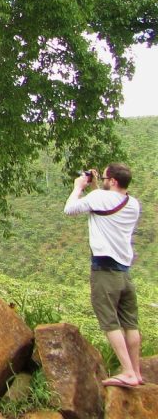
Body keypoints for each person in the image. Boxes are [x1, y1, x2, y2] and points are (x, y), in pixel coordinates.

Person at [64, 163, 143, 388]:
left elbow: (70, 209)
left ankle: (127, 371)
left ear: (114, 181)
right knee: (130, 323)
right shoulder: (133, 204)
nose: (104, 180)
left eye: (106, 178)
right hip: (125, 274)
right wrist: (97, 186)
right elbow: (105, 203)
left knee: (109, 322)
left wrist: (79, 187)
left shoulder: (99, 197)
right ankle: (136, 372)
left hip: (104, 272)